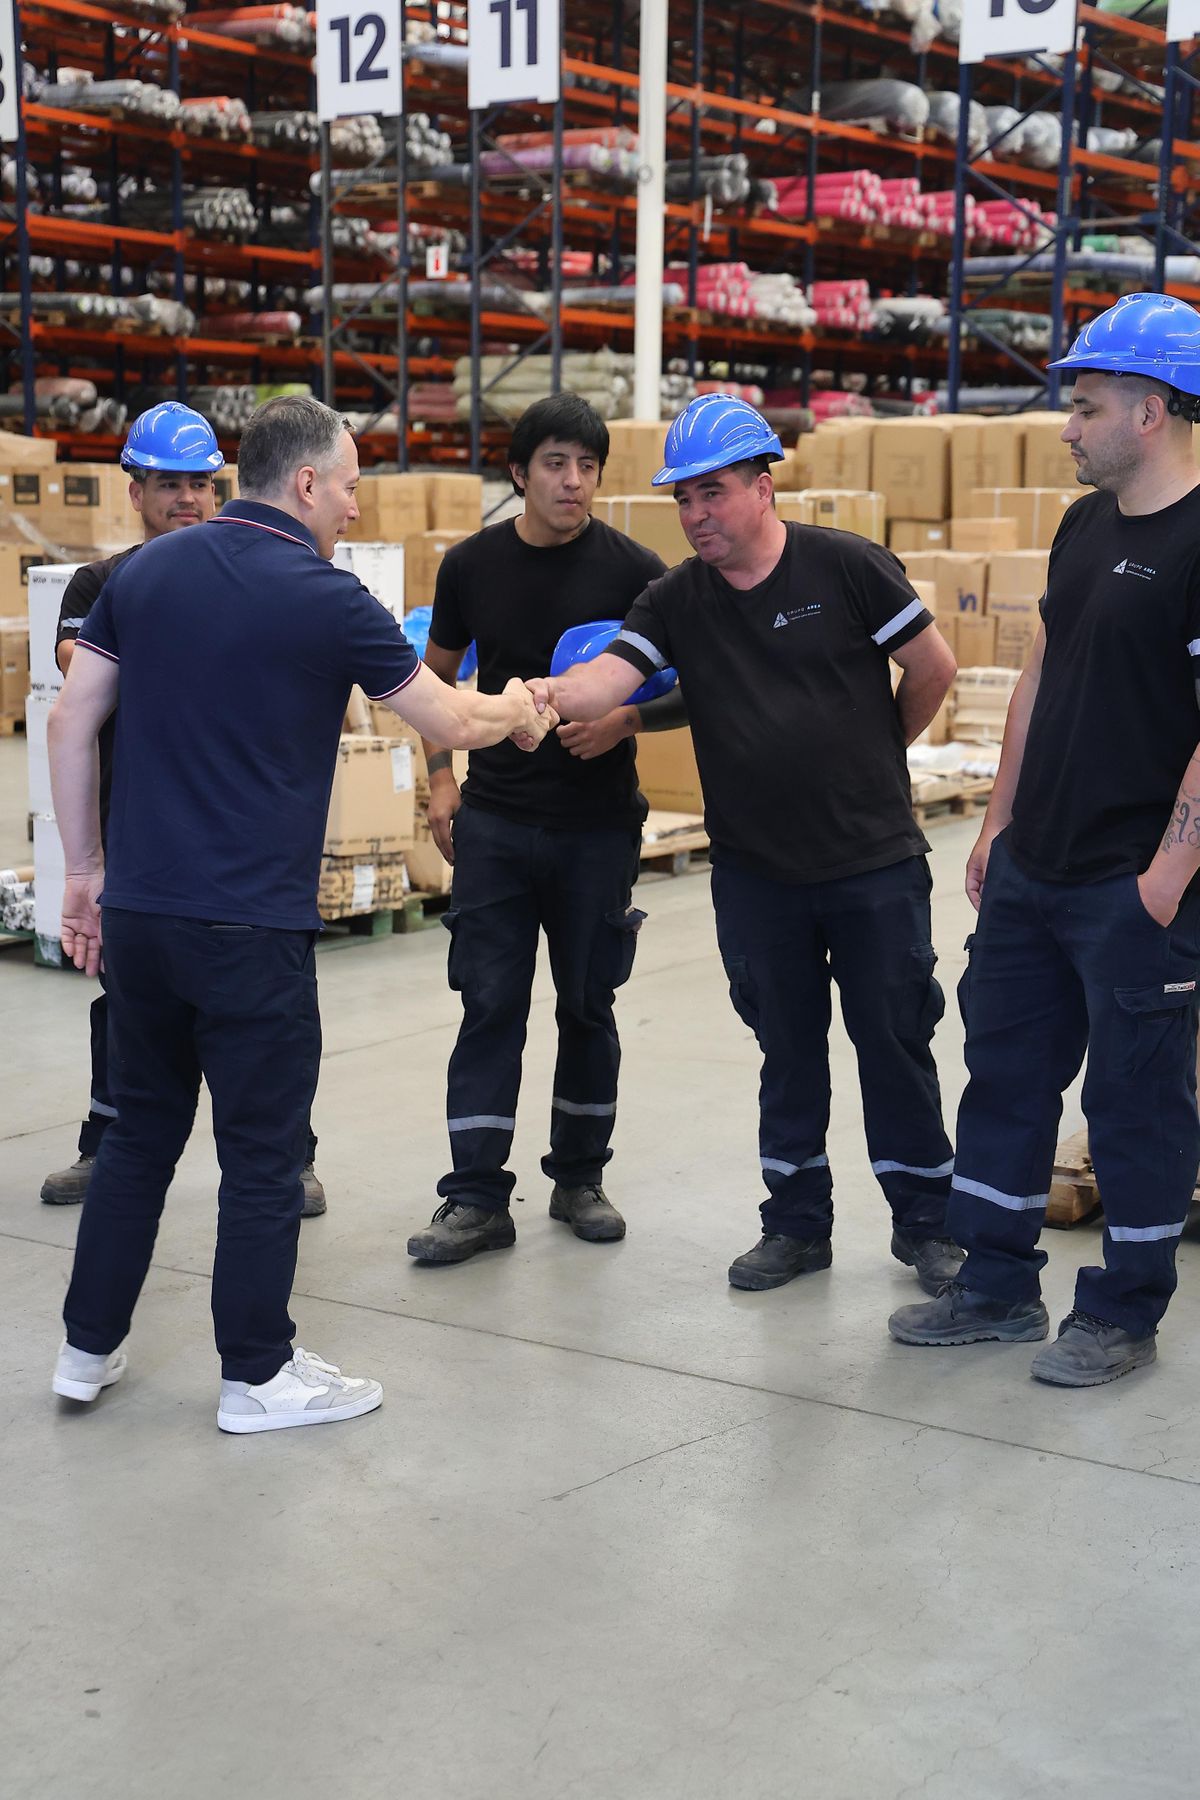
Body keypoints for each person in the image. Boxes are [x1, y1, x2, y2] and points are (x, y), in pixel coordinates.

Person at [47, 394, 555, 1433]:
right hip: (250, 927)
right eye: (354, 486)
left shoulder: (138, 577)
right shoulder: (326, 597)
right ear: (308, 483)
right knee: (264, 1152)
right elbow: (449, 717)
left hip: (141, 914)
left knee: (139, 1137)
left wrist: (83, 875)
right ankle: (256, 1375)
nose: (359, 512)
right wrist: (527, 708)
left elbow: (69, 721)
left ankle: (85, 1351)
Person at [525, 394, 960, 1294]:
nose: (695, 517)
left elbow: (932, 668)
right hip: (759, 875)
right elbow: (614, 676)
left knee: (894, 1044)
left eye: (712, 494)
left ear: (763, 487)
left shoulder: (844, 568)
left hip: (872, 862)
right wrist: (542, 698)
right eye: (683, 500)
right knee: (787, 1050)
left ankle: (927, 1225)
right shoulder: (676, 597)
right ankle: (797, 1224)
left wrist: (875, 758)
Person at [889, 292, 1200, 1387]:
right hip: (1034, 869)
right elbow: (1038, 673)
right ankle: (994, 1285)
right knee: (1005, 1077)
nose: (1068, 423)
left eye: (1087, 403)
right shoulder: (1082, 526)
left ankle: (1123, 1312)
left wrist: (1166, 879)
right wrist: (999, 822)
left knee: (1134, 1103)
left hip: (1133, 888)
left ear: (1151, 411)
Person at [407, 393, 683, 1265]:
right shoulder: (471, 567)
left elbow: (696, 682)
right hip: (494, 822)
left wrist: (628, 723)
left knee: (588, 1005)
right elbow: (433, 680)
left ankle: (579, 1177)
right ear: (519, 472)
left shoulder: (640, 572)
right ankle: (476, 1197)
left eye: (589, 466)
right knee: (487, 1005)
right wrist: (443, 780)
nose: (574, 481)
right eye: (557, 464)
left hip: (597, 826)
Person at [40, 403, 328, 1220]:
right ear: (135, 491)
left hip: (246, 839)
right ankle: (110, 1140)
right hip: (141, 832)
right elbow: (79, 671)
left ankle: (291, 1155)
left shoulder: (258, 574)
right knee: (124, 999)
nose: (190, 500)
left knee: (281, 1002)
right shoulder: (107, 583)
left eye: (203, 483)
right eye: (171, 484)